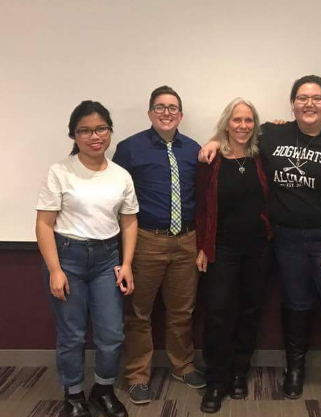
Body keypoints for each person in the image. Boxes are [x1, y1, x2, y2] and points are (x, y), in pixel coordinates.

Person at [199, 75, 321, 403]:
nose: (309, 103)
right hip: (286, 241)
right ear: (293, 104)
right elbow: (237, 134)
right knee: (296, 305)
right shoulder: (274, 133)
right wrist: (214, 142)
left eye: (316, 97)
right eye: (302, 98)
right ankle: (294, 371)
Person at [36, 101, 139, 417]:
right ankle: (74, 395)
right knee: (73, 334)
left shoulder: (121, 175)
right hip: (69, 258)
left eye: (100, 129)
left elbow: (129, 221)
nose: (94, 136)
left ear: (109, 131)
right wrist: (55, 269)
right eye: (85, 130)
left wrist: (127, 264)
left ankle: (104, 388)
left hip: (108, 258)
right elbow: (44, 223)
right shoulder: (61, 172)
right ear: (74, 135)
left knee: (111, 333)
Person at [113, 86, 205, 405]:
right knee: (139, 312)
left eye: (172, 108)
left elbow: (205, 197)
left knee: (182, 310)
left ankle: (183, 365)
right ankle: (138, 375)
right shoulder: (130, 149)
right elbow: (116, 199)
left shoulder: (193, 149)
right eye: (160, 107)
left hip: (187, 242)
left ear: (180, 114)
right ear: (150, 112)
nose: (166, 113)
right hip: (146, 240)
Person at [195, 98, 271, 413]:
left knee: (250, 311)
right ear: (227, 123)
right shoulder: (210, 159)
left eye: (249, 120)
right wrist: (202, 246)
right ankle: (217, 380)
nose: (243, 126)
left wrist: (276, 124)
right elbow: (200, 205)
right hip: (221, 248)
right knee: (218, 312)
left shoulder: (261, 157)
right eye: (237, 120)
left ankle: (239, 372)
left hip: (259, 247)